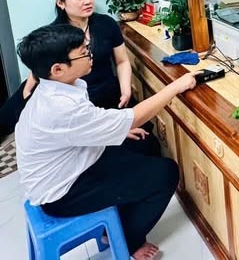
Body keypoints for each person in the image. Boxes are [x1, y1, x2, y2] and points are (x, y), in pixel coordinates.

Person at [15, 23, 197, 260]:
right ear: (57, 69)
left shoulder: (57, 87)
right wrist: (176, 86)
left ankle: (122, 218)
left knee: (145, 144)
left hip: (72, 164)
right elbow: (134, 117)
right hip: (63, 192)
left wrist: (114, 130)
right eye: (84, 52)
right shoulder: (59, 107)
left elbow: (81, 128)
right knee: (166, 173)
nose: (90, 55)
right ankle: (128, 240)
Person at [51, 0, 159, 156]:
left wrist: (125, 90)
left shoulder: (106, 24)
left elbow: (122, 61)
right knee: (120, 152)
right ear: (60, 3)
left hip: (113, 98)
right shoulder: (54, 36)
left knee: (147, 141)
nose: (87, 1)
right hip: (84, 108)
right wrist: (113, 131)